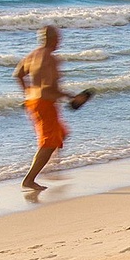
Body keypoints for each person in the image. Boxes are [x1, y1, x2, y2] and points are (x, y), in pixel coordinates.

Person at [13, 25, 90, 190]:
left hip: (33, 102)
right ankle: (29, 179)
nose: (60, 41)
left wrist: (27, 92)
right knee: (49, 142)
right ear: (54, 39)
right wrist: (73, 97)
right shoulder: (50, 59)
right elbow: (49, 88)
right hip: (44, 104)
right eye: (59, 38)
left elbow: (18, 74)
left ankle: (52, 167)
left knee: (61, 133)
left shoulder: (32, 55)